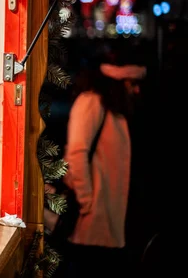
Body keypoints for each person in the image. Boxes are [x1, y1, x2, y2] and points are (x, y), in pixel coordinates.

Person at [62, 59, 146, 278]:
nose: (136, 89)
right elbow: (77, 153)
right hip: (94, 215)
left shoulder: (114, 109)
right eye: (131, 83)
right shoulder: (91, 102)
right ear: (118, 82)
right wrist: (86, 201)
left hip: (108, 213)